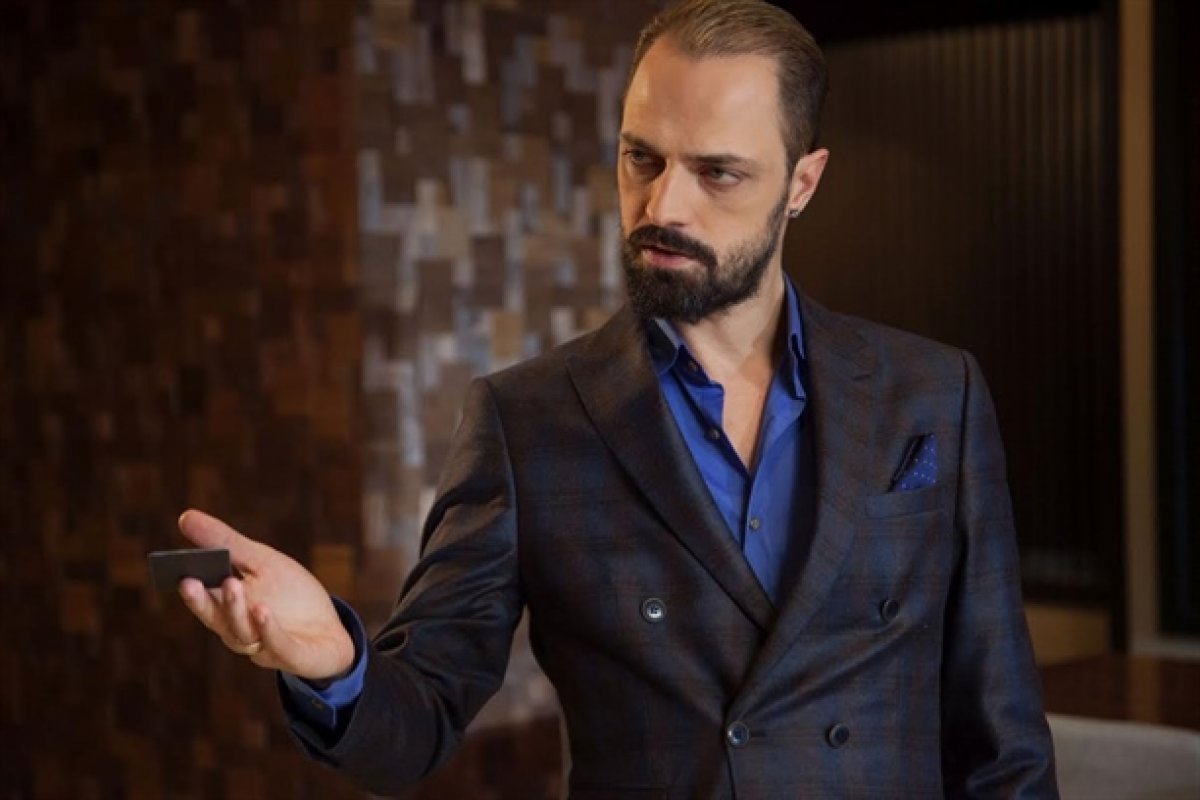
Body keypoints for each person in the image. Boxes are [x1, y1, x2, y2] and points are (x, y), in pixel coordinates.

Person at [175, 0, 1058, 796]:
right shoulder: (527, 422)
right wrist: (334, 662)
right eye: (642, 158)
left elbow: (1003, 744)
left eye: (718, 173)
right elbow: (416, 722)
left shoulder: (933, 394)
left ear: (802, 183)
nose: (663, 204)